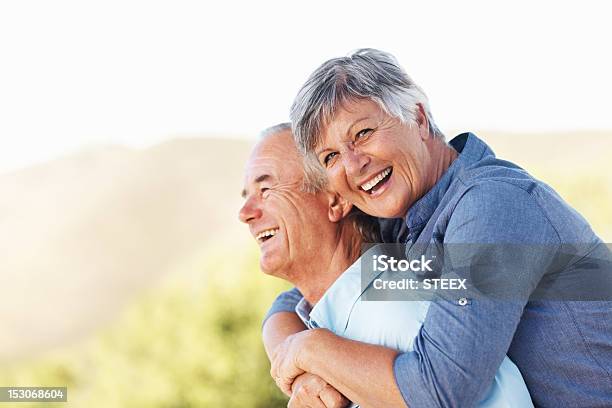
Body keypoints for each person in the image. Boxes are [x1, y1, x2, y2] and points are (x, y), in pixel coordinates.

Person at [266, 49, 612, 407]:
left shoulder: (491, 204)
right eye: (331, 157)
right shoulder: (400, 221)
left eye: (363, 133)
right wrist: (289, 357)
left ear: (417, 118)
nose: (353, 166)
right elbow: (299, 295)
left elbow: (441, 391)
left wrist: (310, 349)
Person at [240, 124, 534, 407]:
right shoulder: (336, 317)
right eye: (247, 196)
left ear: (335, 201)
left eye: (266, 190)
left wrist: (307, 349)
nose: (245, 213)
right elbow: (286, 306)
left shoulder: (396, 313)